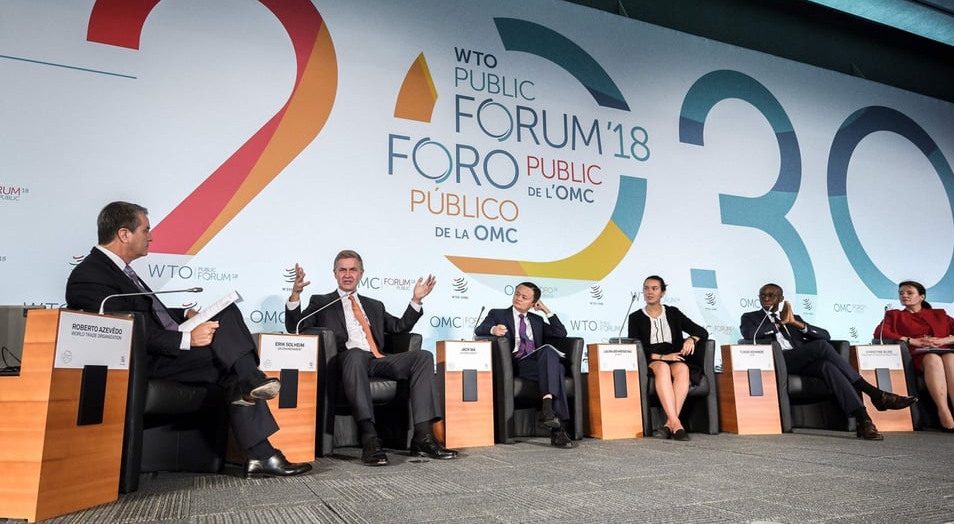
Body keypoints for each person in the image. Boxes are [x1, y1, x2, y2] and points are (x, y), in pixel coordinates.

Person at [66, 201, 311, 478]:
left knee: (226, 313)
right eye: (146, 230)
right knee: (229, 363)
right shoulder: (89, 276)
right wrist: (186, 340)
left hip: (167, 349)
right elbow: (125, 329)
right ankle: (258, 431)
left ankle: (254, 407)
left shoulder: (120, 271)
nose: (151, 236)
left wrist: (184, 313)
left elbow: (147, 312)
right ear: (124, 234)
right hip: (147, 359)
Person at [284, 250, 456, 465]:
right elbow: (295, 327)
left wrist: (416, 300)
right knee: (355, 355)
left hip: (377, 360)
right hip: (347, 361)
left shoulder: (374, 305)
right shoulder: (322, 301)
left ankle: (423, 436)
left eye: (353, 270)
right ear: (335, 274)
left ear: (361, 273)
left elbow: (398, 327)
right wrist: (295, 295)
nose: (347, 275)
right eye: (342, 270)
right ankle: (370, 438)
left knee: (423, 357)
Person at [740, 283, 917, 441]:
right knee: (821, 347)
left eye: (771, 295)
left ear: (781, 298)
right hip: (777, 361)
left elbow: (825, 335)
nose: (766, 298)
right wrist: (778, 324)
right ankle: (874, 393)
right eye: (762, 295)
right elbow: (750, 335)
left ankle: (864, 420)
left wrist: (795, 323)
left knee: (828, 367)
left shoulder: (793, 317)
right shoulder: (750, 317)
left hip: (801, 360)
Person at [474, 282, 575, 448]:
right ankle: (558, 429)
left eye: (524, 297)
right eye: (517, 294)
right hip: (516, 364)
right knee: (557, 368)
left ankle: (548, 412)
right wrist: (493, 329)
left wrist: (546, 310)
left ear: (533, 303)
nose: (518, 298)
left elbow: (560, 333)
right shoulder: (498, 314)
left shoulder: (536, 319)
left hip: (537, 364)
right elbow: (480, 329)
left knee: (551, 358)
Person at [873, 280, 954, 433]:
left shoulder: (939, 314)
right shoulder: (894, 315)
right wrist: (911, 340)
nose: (904, 296)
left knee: (952, 358)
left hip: (944, 351)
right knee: (933, 359)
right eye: (901, 293)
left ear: (921, 296)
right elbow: (880, 333)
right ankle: (943, 412)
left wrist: (944, 340)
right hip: (917, 355)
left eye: (909, 293)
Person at [627, 275, 709, 441]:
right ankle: (677, 425)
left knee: (683, 369)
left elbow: (701, 331)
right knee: (662, 368)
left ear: (662, 292)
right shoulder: (635, 317)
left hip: (675, 356)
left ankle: (668, 424)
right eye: (646, 288)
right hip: (651, 357)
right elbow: (637, 346)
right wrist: (663, 356)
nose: (649, 292)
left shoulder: (673, 313)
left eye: (654, 288)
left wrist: (691, 339)